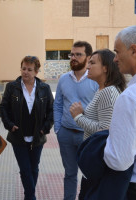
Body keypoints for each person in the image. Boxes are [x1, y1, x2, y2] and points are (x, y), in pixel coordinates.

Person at [69, 49, 126, 199]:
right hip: (94, 164)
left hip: (99, 165)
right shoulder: (101, 90)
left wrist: (78, 117)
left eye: (92, 63)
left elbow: (105, 130)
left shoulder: (108, 92)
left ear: (105, 67)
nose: (87, 67)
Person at [104, 25, 136, 199]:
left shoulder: (132, 96)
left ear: (134, 50)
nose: (115, 59)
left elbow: (119, 160)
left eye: (117, 52)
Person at [0, 56, 53, 200]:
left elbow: (52, 110)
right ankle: (30, 197)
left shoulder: (44, 88)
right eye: (23, 68)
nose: (26, 72)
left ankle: (28, 196)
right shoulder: (12, 87)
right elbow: (3, 107)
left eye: (30, 69)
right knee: (25, 169)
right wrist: (9, 125)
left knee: (34, 168)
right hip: (18, 135)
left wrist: (45, 128)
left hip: (37, 136)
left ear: (36, 71)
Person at [53, 41, 99, 200]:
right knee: (70, 174)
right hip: (65, 134)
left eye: (78, 54)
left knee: (90, 174)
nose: (73, 57)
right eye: (72, 54)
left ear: (88, 57)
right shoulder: (64, 79)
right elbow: (58, 104)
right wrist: (58, 129)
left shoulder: (95, 79)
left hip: (88, 136)